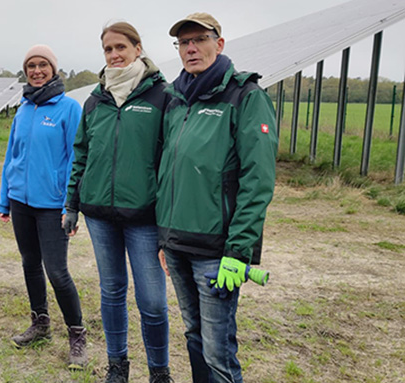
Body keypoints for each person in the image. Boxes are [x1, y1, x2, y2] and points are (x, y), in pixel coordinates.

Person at [157, 13, 278, 383]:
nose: (191, 48)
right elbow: (168, 170)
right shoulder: (176, 99)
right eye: (183, 42)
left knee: (218, 349)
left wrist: (238, 251)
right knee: (193, 335)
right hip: (176, 243)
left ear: (219, 44)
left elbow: (258, 180)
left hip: (216, 252)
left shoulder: (245, 96)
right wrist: (164, 238)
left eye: (199, 40)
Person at [63, 22, 173, 383]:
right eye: (108, 49)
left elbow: (171, 158)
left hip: (144, 216)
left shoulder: (162, 96)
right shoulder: (96, 99)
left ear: (138, 48)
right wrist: (72, 205)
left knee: (153, 301)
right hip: (99, 215)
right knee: (111, 291)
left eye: (121, 47)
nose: (114, 55)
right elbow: (81, 154)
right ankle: (117, 365)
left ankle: (159, 371)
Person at [0, 44, 87, 369]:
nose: (36, 71)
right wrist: (5, 198)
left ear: (53, 69)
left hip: (53, 206)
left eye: (42, 65)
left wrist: (70, 204)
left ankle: (77, 335)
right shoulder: (22, 109)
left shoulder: (68, 108)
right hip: (21, 202)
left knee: (57, 271)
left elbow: (77, 159)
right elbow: (12, 156)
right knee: (29, 263)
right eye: (31, 66)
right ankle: (40, 323)